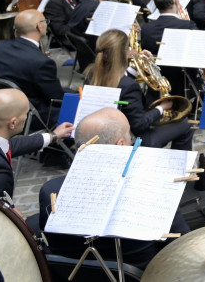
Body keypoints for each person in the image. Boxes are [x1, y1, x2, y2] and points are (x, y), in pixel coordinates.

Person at [37, 108, 190, 270]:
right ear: (121, 144)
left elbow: (55, 244)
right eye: (130, 137)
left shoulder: (49, 190)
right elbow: (183, 245)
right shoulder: (156, 188)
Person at [87, 29, 193, 150]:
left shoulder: (92, 73)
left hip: (103, 131)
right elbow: (139, 124)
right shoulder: (129, 86)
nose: (132, 51)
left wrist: (134, 69)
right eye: (128, 48)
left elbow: (118, 82)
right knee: (185, 125)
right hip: (134, 138)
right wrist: (161, 108)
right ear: (124, 53)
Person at [0, 89, 72, 198]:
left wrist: (53, 135)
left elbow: (12, 145)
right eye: (26, 113)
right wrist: (12, 211)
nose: (26, 117)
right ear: (13, 123)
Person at [0, 10, 66, 126]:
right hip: (30, 115)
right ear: (39, 26)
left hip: (4, 107)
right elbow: (56, 99)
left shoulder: (0, 46)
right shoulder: (42, 62)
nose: (46, 24)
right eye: (45, 21)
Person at [140, 0, 199, 96]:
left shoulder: (146, 28)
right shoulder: (188, 25)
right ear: (176, 1)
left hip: (157, 84)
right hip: (184, 83)